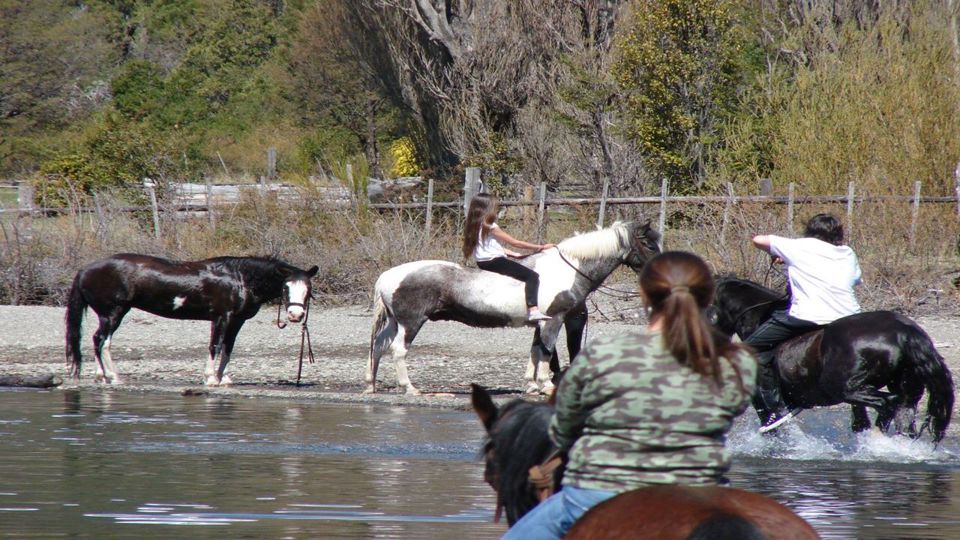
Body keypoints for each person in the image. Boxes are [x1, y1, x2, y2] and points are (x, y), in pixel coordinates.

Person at [502, 251, 757, 540]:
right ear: (709, 298)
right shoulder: (738, 361)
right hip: (699, 495)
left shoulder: (604, 353)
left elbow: (562, 431)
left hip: (597, 494)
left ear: (644, 296)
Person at [749, 213, 862, 433]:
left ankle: (778, 409)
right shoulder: (847, 252)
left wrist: (786, 254)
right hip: (850, 317)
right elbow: (853, 279)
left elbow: (758, 240)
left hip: (810, 314)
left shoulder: (801, 246)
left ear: (811, 230)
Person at [462, 192, 555, 322]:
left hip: (483, 262)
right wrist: (541, 247)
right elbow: (515, 242)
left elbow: (487, 246)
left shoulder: (473, 223)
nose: (496, 208)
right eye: (494, 206)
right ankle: (533, 310)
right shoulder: (491, 226)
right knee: (532, 276)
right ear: (488, 207)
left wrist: (512, 253)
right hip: (494, 261)